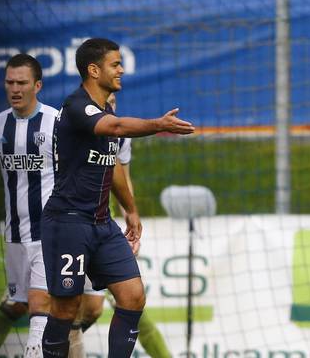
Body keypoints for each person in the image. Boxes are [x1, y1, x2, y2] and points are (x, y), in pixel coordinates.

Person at [40, 37, 194, 358]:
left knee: (133, 296)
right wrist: (158, 124)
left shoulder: (107, 110)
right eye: (115, 65)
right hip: (69, 222)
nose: (122, 70)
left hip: (101, 224)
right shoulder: (77, 106)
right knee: (67, 309)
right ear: (94, 70)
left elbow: (115, 167)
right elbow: (118, 127)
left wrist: (132, 211)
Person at [67, 93, 172, 358]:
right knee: (59, 308)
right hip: (70, 226)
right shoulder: (74, 129)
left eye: (114, 103)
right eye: (106, 102)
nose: (110, 107)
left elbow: (122, 180)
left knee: (124, 302)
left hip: (105, 229)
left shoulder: (120, 138)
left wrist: (131, 216)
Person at [0, 53, 55, 358]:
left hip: (52, 232)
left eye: (22, 82)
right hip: (14, 236)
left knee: (40, 303)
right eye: (10, 82)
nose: (15, 88)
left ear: (37, 85)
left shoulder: (56, 123)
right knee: (19, 304)